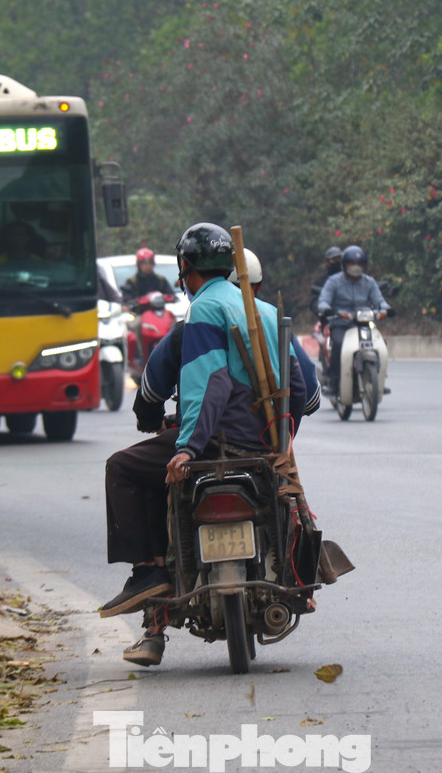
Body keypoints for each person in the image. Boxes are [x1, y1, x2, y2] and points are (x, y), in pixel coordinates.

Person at [100, 224, 307, 667]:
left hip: (215, 439)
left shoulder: (202, 312)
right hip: (262, 443)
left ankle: (150, 572)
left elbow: (208, 385)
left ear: (185, 268)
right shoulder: (267, 314)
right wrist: (280, 442)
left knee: (122, 467)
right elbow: (301, 390)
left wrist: (189, 449)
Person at [315, 245, 390, 390]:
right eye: (351, 263)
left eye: (359, 264)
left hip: (364, 323)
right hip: (340, 323)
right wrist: (326, 308)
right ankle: (334, 380)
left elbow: (379, 301)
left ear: (364, 266)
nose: (355, 267)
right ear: (344, 265)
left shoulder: (369, 282)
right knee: (337, 343)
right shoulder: (334, 281)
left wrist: (386, 309)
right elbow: (324, 299)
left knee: (381, 344)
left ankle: (379, 378)